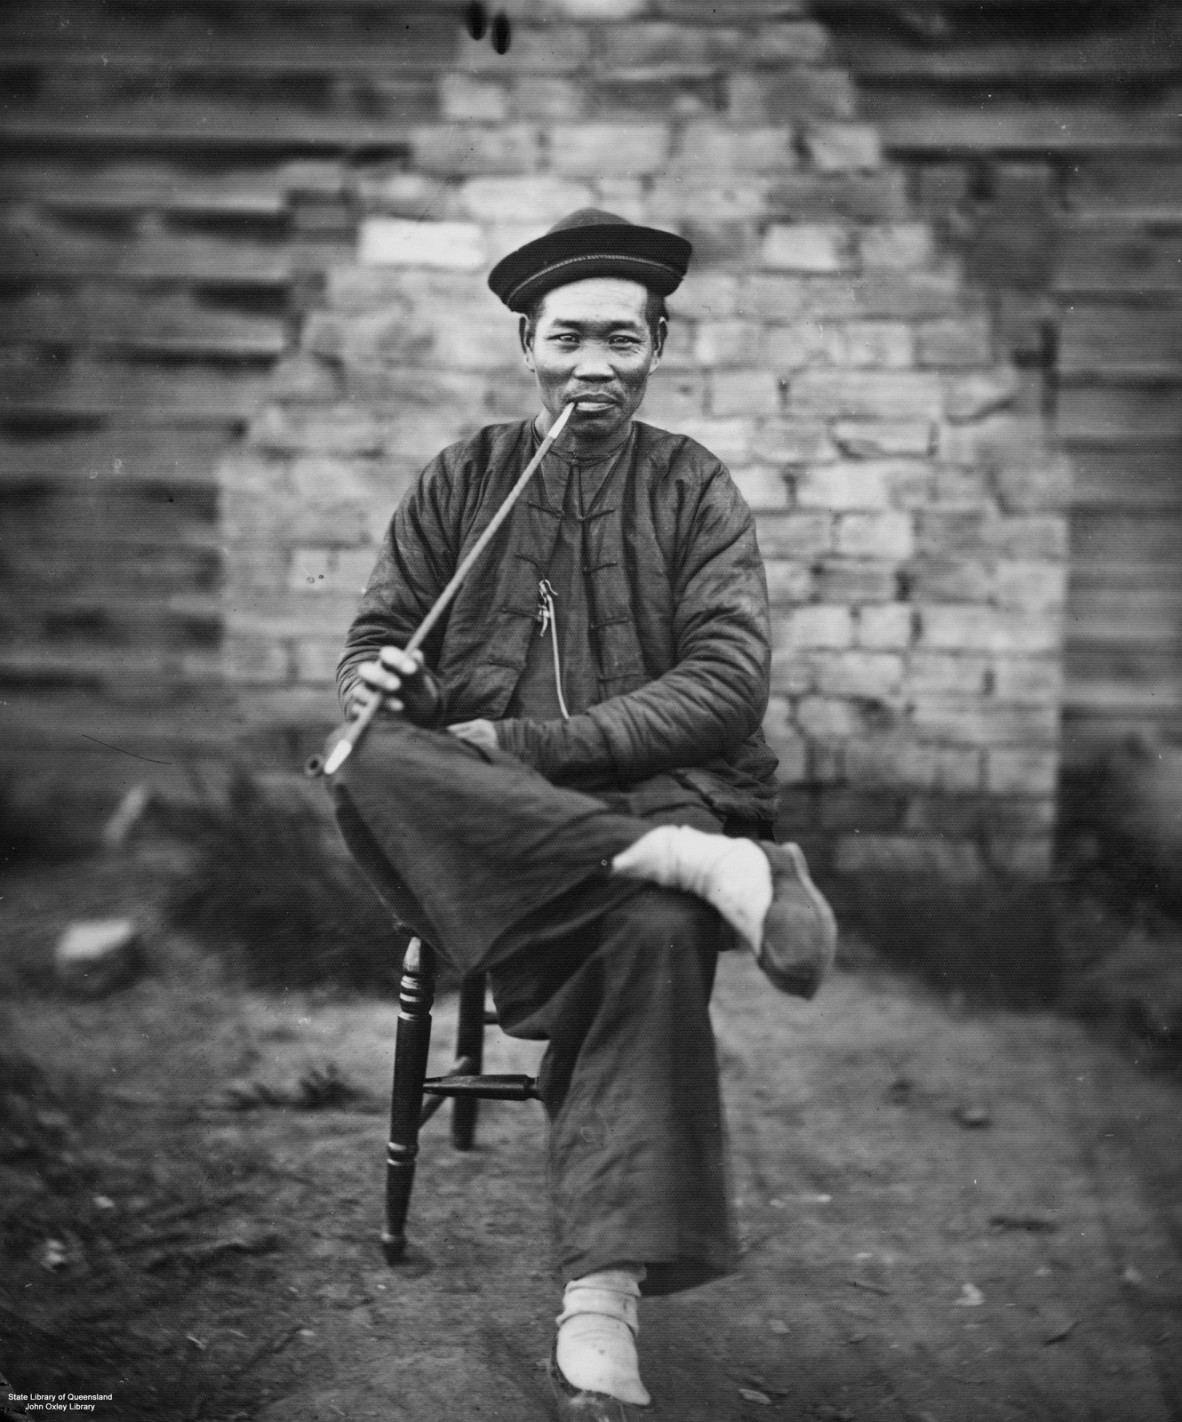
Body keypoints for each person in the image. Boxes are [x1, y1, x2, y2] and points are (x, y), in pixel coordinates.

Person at [328, 208, 837, 1421]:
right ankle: (698, 866)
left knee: (657, 935)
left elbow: (726, 686)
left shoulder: (692, 486)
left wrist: (526, 744)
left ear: (660, 346)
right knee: (357, 754)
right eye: (568, 340)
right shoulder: (461, 478)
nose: (592, 369)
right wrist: (388, 679)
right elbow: (376, 647)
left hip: (633, 791)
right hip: (497, 825)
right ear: (525, 341)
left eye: (623, 341)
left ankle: (599, 1298)